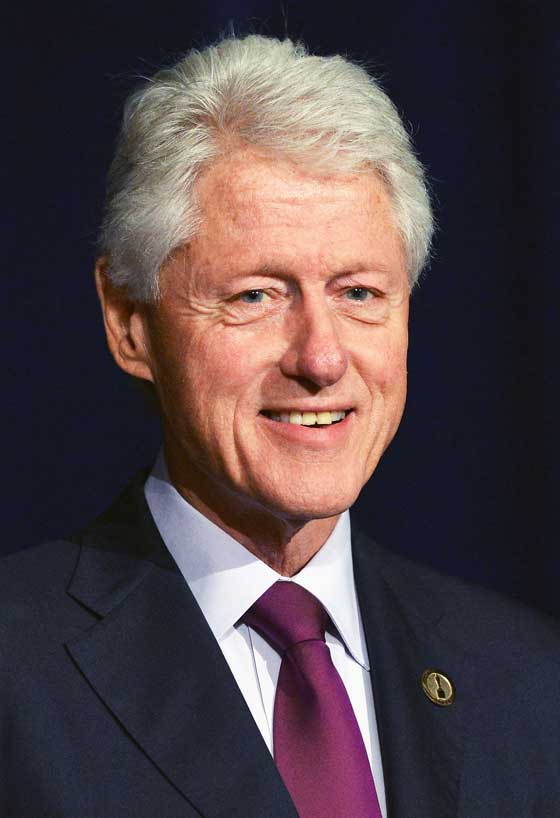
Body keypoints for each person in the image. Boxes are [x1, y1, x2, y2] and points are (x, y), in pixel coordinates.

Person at [3, 34, 559, 818]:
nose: (321, 358)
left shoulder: (529, 681)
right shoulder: (16, 677)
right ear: (129, 323)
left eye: (359, 293)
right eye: (256, 295)